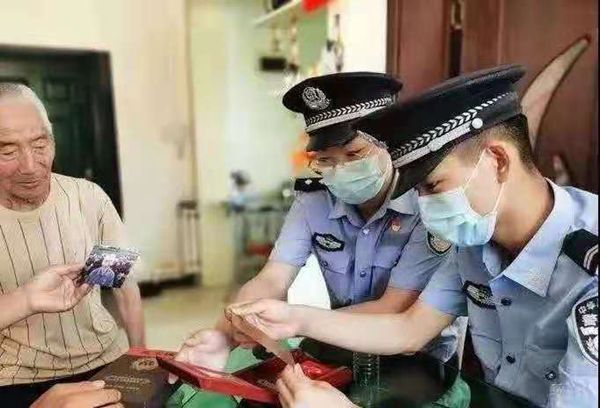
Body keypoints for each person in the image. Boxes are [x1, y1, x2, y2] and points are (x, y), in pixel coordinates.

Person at [228, 65, 598, 408]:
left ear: (497, 161)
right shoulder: (474, 245)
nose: (424, 206)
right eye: (418, 191)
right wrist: (293, 319)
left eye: (433, 186)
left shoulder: (589, 268)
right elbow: (409, 330)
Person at [173, 72, 462, 376]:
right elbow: (273, 278)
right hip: (339, 348)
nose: (340, 169)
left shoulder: (427, 203)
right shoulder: (314, 201)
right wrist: (226, 333)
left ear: (391, 144)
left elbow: (395, 308)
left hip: (420, 362)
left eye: (354, 153)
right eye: (325, 159)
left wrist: (294, 320)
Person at [0, 83, 145, 406]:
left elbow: (122, 286)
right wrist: (25, 299)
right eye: (7, 151)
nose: (30, 166)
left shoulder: (87, 198)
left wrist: (140, 357)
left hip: (102, 358)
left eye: (40, 145)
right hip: (15, 375)